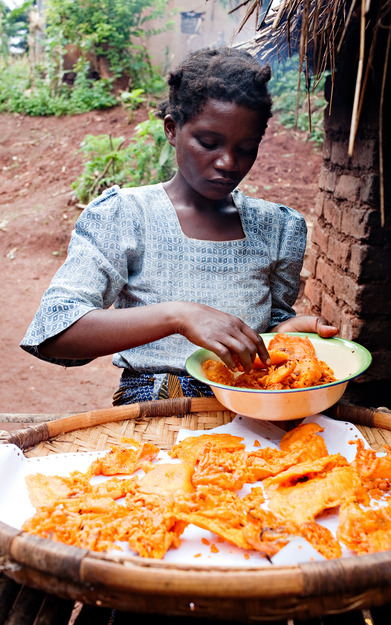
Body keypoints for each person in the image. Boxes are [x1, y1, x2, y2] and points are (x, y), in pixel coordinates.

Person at [21, 46, 338, 404]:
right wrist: (178, 316)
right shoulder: (126, 216)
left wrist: (286, 334)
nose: (228, 162)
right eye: (208, 142)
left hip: (255, 405)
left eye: (247, 147)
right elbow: (55, 332)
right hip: (158, 405)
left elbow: (267, 332)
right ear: (172, 129)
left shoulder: (278, 228)